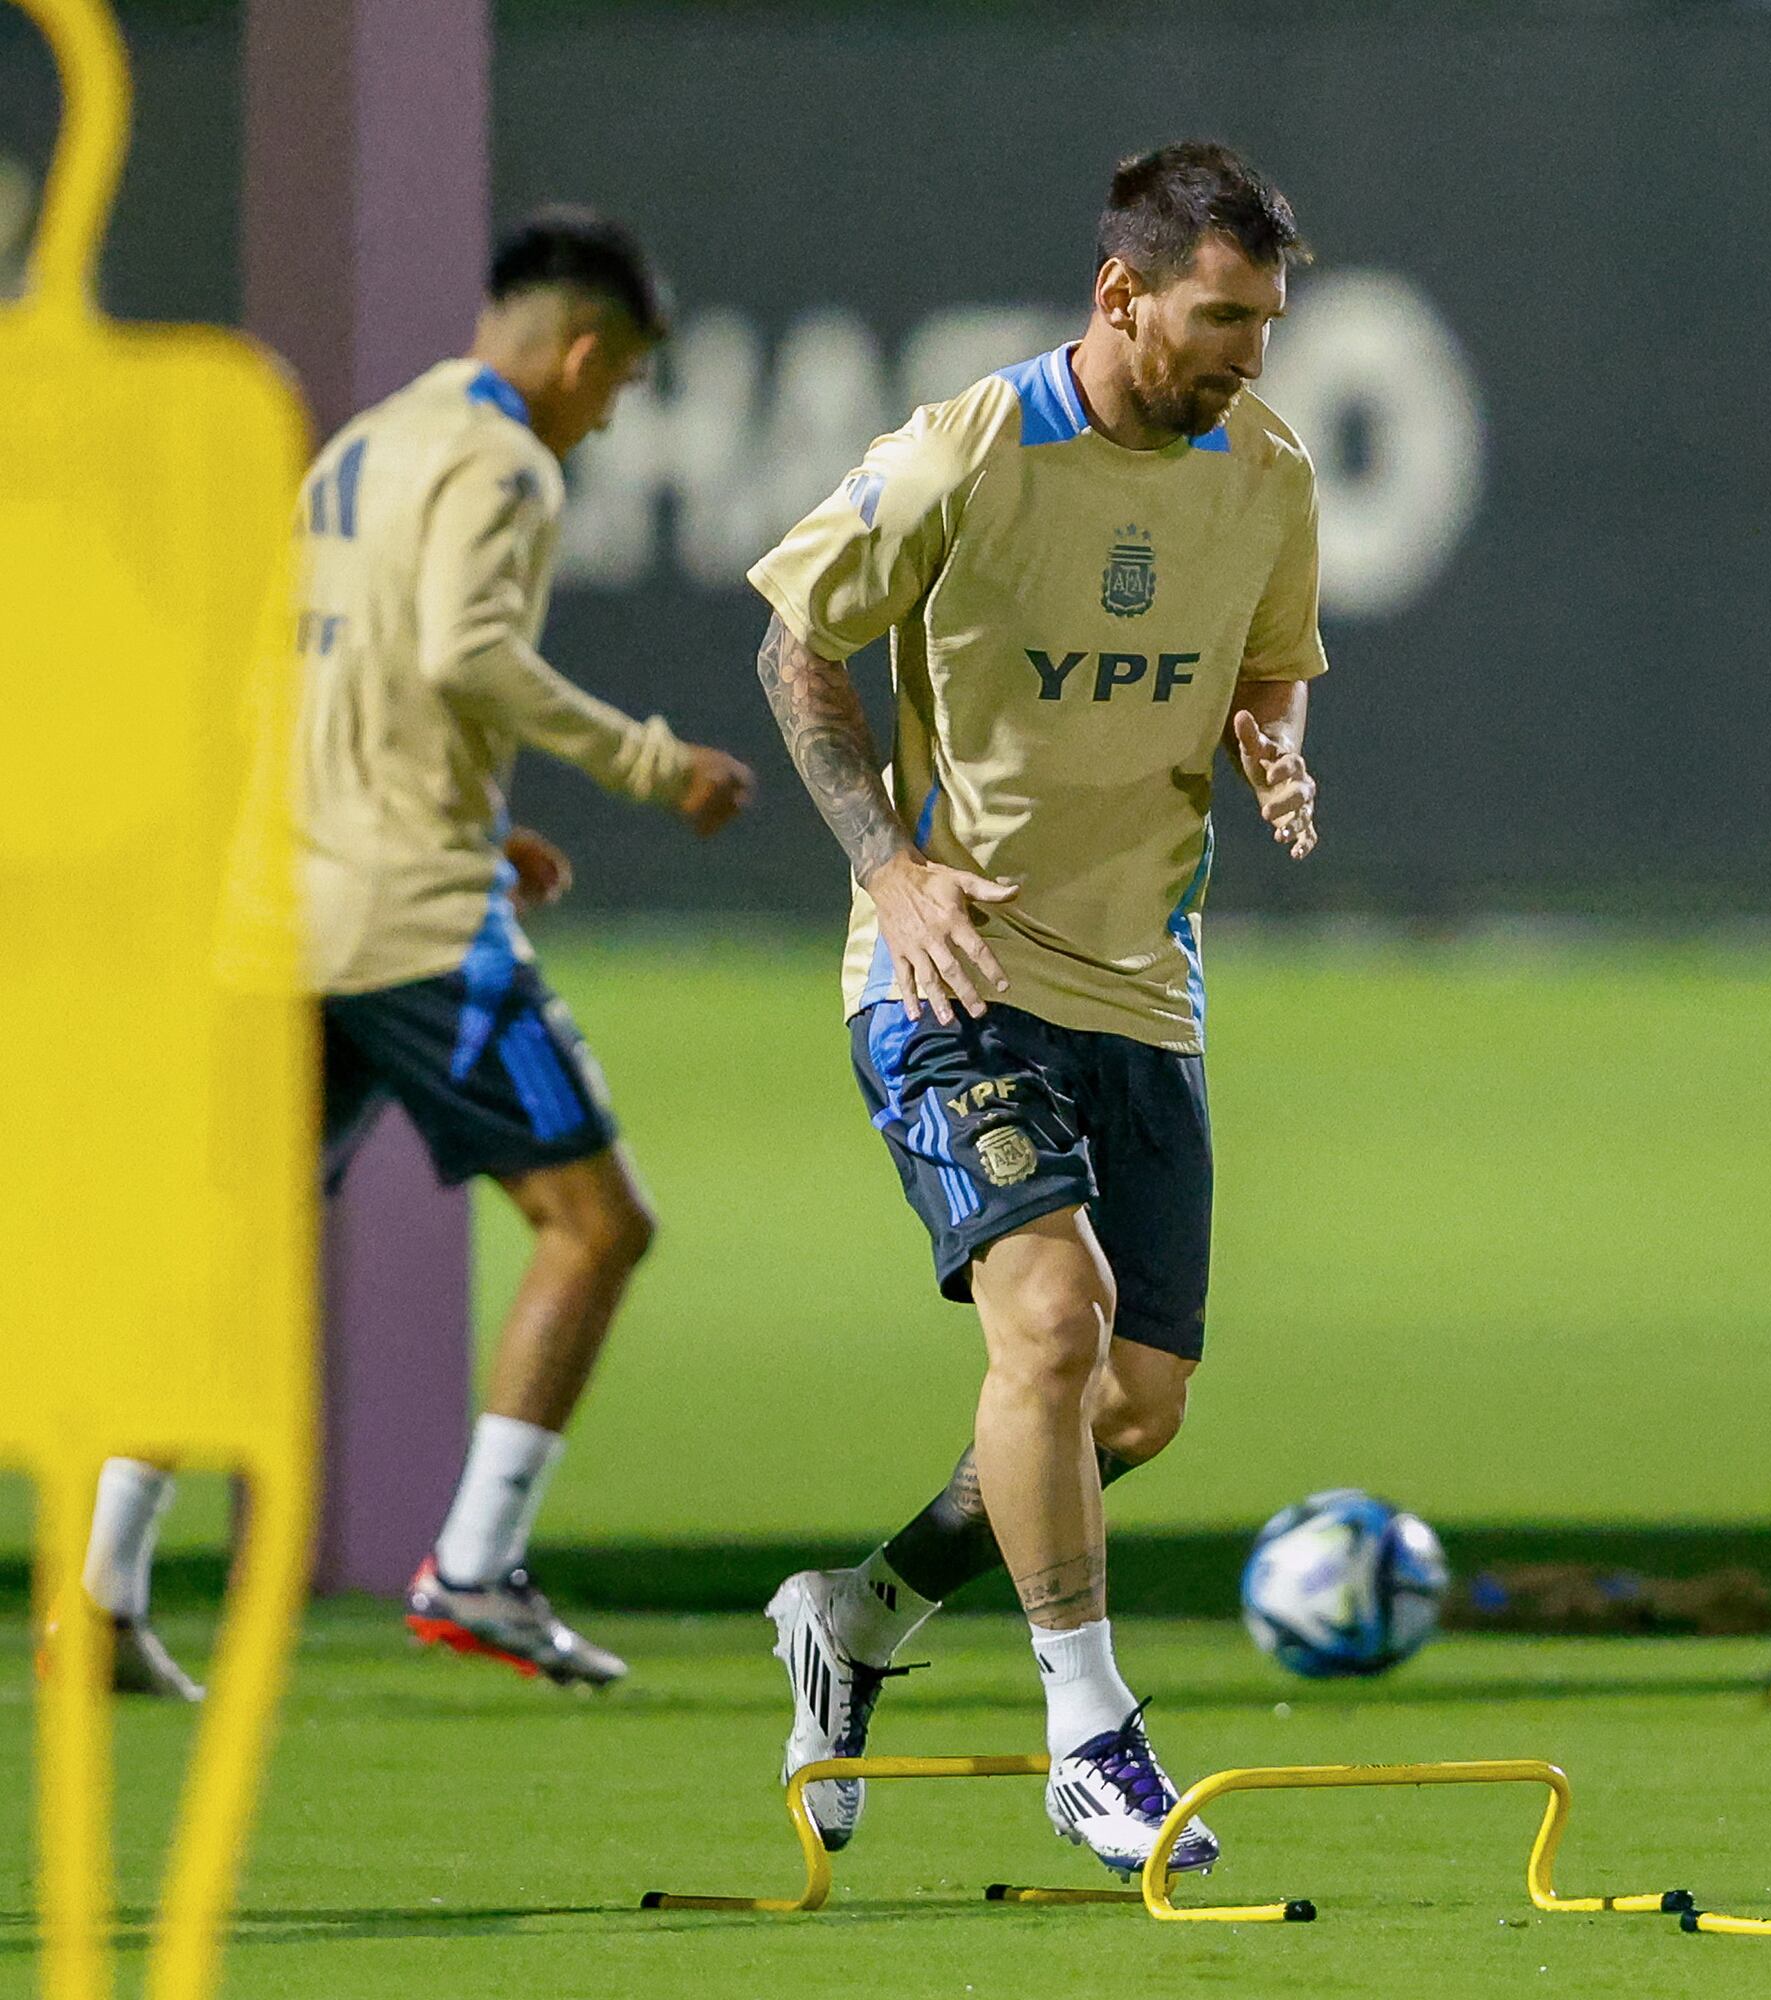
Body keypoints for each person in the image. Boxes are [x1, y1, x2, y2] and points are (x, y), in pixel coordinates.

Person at [78, 209, 756, 1697]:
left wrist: (452, 813)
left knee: (227, 1251)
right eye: (623, 384)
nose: (608, 413)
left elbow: (303, 670)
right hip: (409, 926)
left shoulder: (362, 449)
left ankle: (101, 1595)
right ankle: (479, 1567)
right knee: (597, 1223)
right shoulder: (506, 463)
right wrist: (651, 765)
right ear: (584, 353)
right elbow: (459, 652)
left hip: (287, 906)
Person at [745, 141, 1325, 1875]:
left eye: (1269, 324)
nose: (1249, 355)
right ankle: (1093, 1732)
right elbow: (793, 641)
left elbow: (1271, 659)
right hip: (956, 968)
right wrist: (885, 869)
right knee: (1052, 1323)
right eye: (1221, 318)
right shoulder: (962, 453)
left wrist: (1274, 740)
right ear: (1122, 294)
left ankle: (855, 1619)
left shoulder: (1270, 468)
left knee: (1130, 1408)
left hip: (1146, 985)